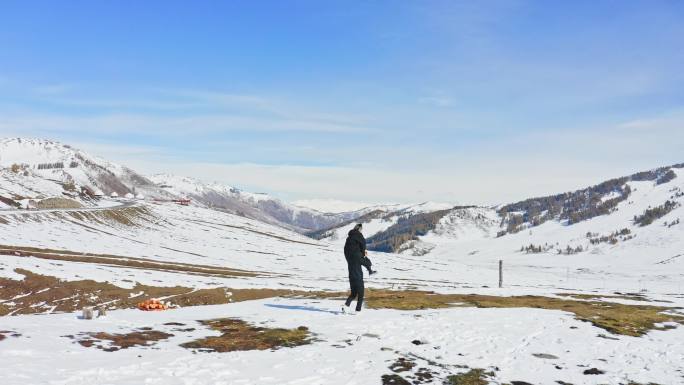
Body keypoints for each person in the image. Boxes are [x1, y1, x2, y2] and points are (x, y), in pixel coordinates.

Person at [342, 223, 376, 314]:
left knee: (353, 294)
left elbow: (347, 251)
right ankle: (358, 311)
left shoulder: (349, 239)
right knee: (361, 294)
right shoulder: (359, 238)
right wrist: (366, 258)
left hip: (351, 275)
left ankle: (346, 306)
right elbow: (365, 256)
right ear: (360, 229)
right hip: (358, 276)